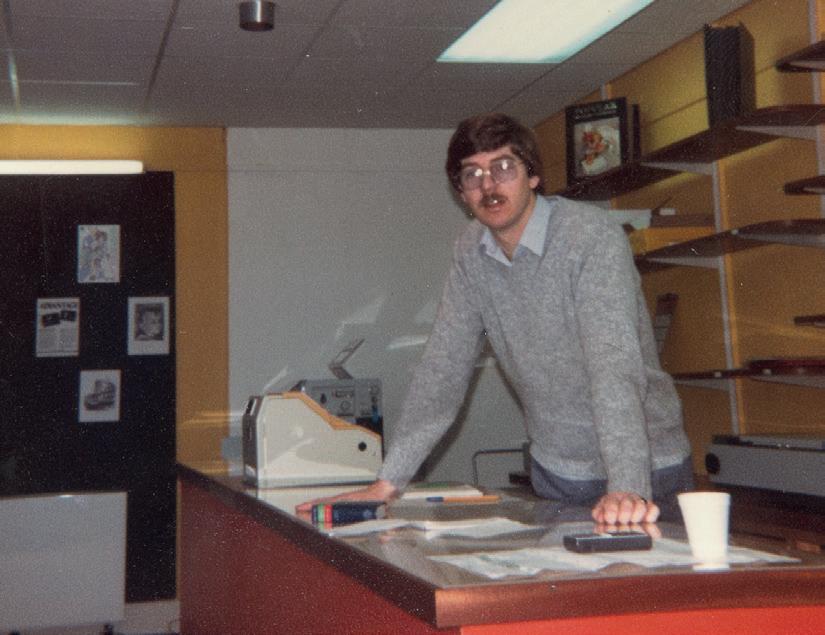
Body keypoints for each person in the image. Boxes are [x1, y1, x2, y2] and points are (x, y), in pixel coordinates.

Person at [298, 113, 692, 526]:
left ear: (533, 176)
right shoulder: (471, 252)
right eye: (472, 175)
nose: (488, 186)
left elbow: (613, 367)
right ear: (461, 193)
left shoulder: (590, 237)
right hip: (561, 471)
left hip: (646, 469)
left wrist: (627, 486)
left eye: (503, 167)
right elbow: (443, 370)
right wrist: (387, 483)